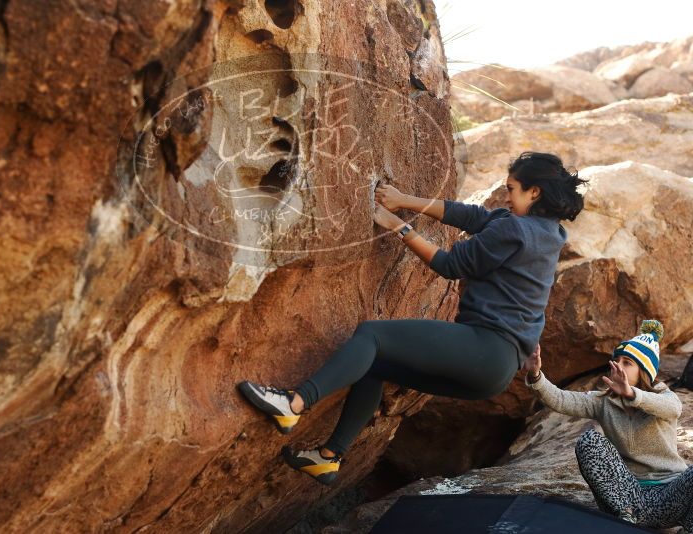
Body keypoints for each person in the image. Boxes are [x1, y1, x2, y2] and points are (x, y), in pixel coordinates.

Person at [238, 151, 586, 485]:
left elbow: (451, 265)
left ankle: (293, 403)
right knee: (374, 365)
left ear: (534, 191)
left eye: (511, 189)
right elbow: (473, 217)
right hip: (496, 370)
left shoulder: (515, 230)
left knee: (372, 336)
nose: (507, 196)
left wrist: (398, 225)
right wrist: (405, 199)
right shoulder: (549, 232)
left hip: (486, 348)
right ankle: (328, 457)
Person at [524, 320, 692, 533]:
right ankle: (624, 522)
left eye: (627, 362)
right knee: (589, 441)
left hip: (670, 497)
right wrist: (536, 375)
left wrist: (632, 394)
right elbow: (560, 399)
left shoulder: (662, 397)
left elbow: (673, 409)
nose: (617, 366)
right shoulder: (603, 401)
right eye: (616, 360)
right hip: (628, 500)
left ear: (644, 372)